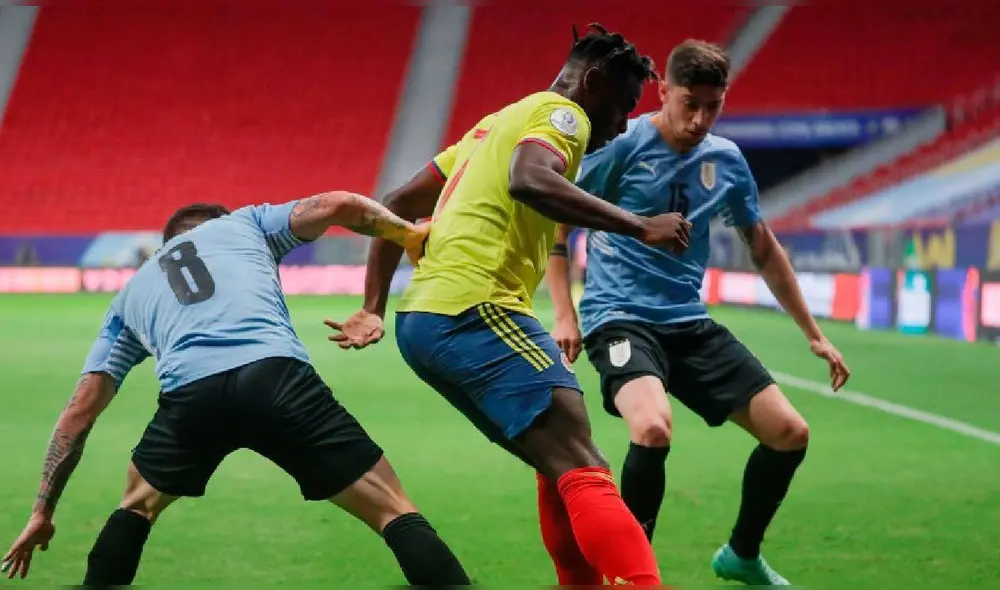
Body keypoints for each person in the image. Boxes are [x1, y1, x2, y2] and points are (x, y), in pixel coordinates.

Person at [330, 24, 692, 586]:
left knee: (558, 462)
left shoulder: (494, 124)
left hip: (422, 319)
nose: (621, 126)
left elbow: (396, 202)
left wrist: (374, 304)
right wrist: (640, 225)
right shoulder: (563, 116)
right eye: (622, 107)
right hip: (476, 308)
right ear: (593, 82)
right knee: (584, 463)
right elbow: (529, 180)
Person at [1, 192, 472, 586]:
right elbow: (338, 204)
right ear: (218, 225)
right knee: (390, 509)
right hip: (275, 377)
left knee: (137, 504)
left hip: (191, 399)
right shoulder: (247, 225)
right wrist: (407, 235)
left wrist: (42, 510)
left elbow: (80, 410)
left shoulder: (129, 296)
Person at [544, 40, 852, 585]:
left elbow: (763, 247)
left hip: (688, 323)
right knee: (652, 426)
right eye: (691, 104)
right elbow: (557, 225)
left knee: (789, 432)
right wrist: (565, 314)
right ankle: (630, 574)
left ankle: (741, 555)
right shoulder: (623, 146)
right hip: (619, 318)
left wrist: (814, 333)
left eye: (714, 107)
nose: (700, 120)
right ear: (664, 91)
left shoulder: (726, 160)